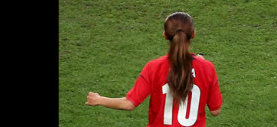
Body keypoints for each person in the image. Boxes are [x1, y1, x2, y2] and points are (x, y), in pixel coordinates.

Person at [86, 12, 223, 126]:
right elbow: (215, 110)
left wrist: (99, 99)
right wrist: (203, 66)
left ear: (165, 35)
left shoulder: (154, 67)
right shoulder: (207, 67)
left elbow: (129, 104)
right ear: (193, 34)